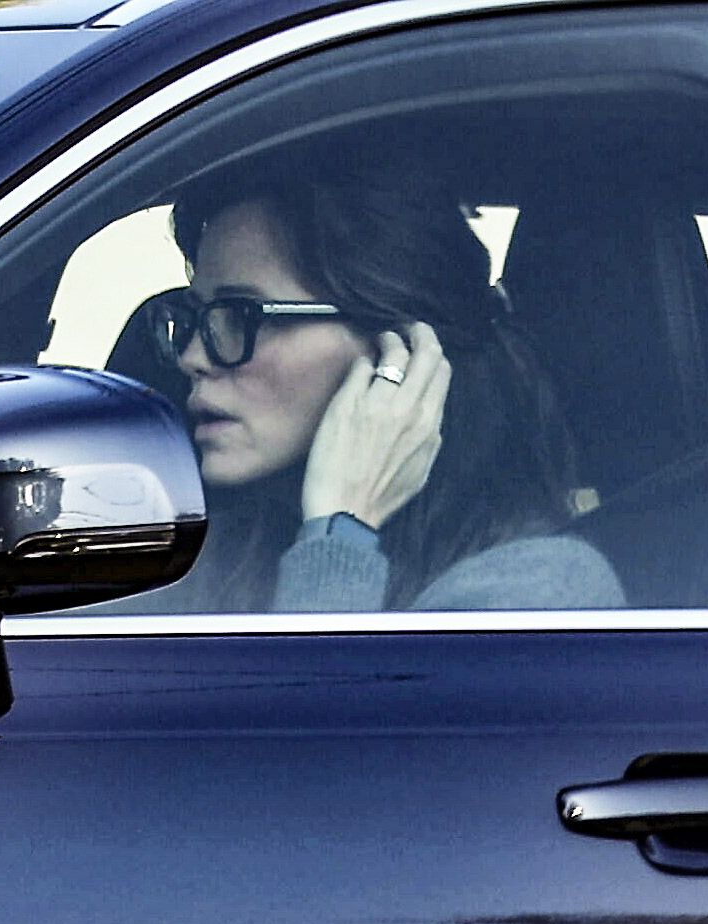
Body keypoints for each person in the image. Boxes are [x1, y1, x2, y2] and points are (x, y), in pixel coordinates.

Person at [131, 157, 625, 612]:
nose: (193, 357)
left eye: (241, 315)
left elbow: (306, 711)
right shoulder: (205, 550)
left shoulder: (543, 590)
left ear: (402, 352)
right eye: (194, 317)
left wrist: (341, 538)